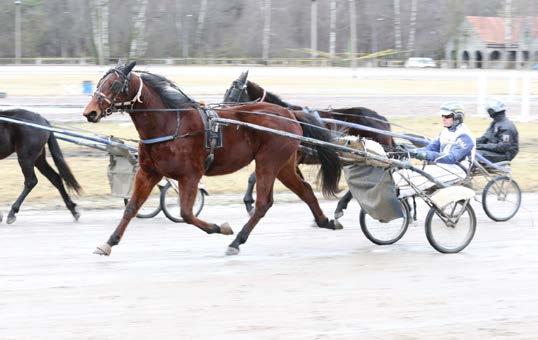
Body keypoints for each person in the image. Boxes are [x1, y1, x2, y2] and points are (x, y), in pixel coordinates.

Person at [398, 102, 476, 193]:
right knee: (405, 174)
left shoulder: (465, 136)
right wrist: (410, 152)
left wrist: (425, 155)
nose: (443, 118)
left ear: (457, 118)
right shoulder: (445, 132)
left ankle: (398, 203)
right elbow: (430, 148)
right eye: (442, 116)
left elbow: (451, 158)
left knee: (411, 184)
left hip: (457, 171)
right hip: (443, 168)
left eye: (446, 116)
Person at [476, 98, 519, 163]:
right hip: (496, 151)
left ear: (492, 111)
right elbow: (485, 138)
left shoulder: (506, 127)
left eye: (489, 111)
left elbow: (503, 147)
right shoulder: (496, 123)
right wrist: (472, 143)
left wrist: (481, 146)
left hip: (504, 154)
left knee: (474, 154)